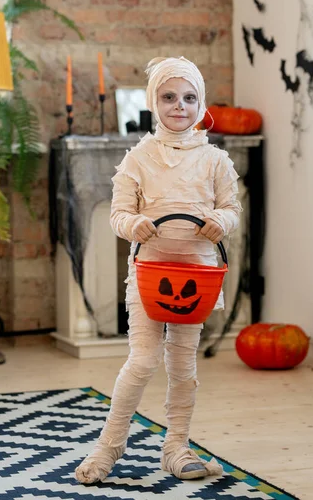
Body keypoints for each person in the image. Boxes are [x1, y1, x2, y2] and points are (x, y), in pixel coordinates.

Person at [75, 56, 242, 484]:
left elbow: (231, 207)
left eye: (189, 98)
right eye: (169, 97)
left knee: (183, 364)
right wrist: (134, 225)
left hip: (197, 275)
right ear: (154, 102)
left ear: (200, 103)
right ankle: (109, 446)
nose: (179, 106)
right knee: (143, 359)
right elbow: (118, 214)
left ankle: (177, 446)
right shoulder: (138, 159)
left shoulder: (215, 160)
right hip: (150, 273)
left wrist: (221, 222)